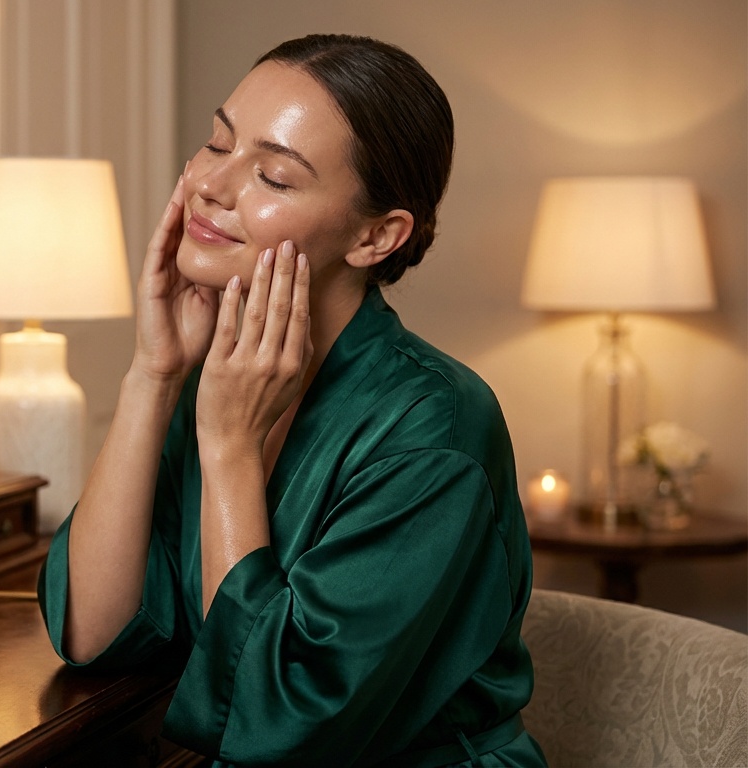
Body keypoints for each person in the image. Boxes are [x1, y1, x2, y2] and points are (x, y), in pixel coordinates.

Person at [37, 34, 547, 767]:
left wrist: (231, 447)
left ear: (376, 236)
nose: (214, 185)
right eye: (217, 143)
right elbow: (92, 633)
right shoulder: (215, 374)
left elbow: (273, 723)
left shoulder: (436, 428)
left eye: (273, 176)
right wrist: (153, 375)